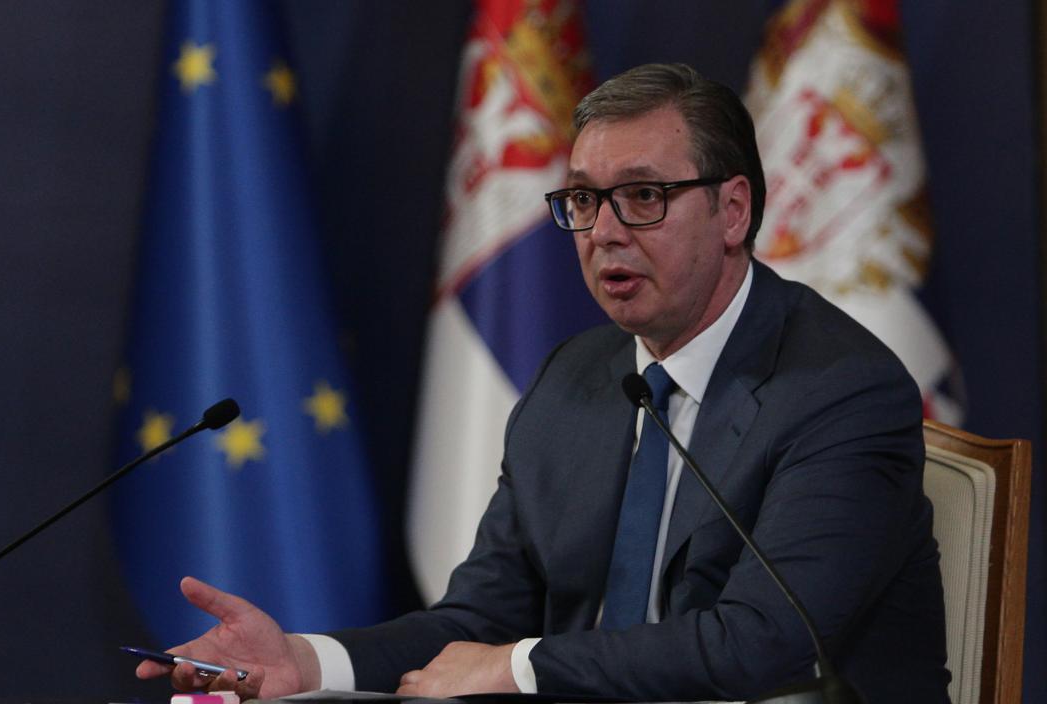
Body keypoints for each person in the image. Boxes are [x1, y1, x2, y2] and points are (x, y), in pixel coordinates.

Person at [135, 63, 949, 703]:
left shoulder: (840, 391)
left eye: (643, 196)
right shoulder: (576, 381)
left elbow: (763, 643)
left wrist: (518, 667)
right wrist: (306, 661)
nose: (604, 233)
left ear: (733, 211)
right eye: (585, 200)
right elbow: (482, 619)